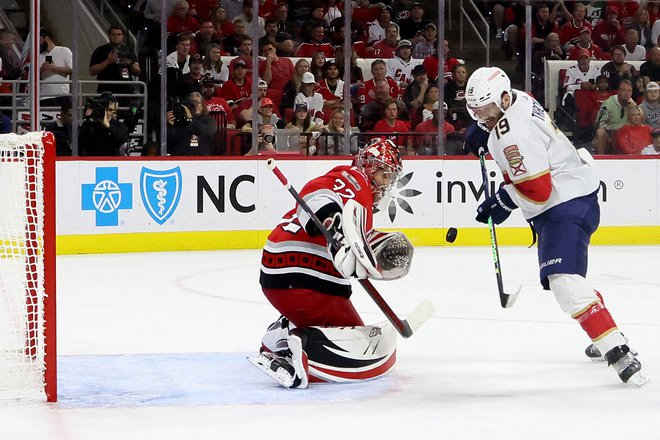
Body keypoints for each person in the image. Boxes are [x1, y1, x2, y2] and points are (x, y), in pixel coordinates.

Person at [463, 66, 646, 386]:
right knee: (572, 280)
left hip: (564, 203)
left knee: (564, 281)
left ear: (504, 99)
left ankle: (617, 349)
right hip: (573, 191)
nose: (483, 116)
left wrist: (504, 199)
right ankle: (606, 328)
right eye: (477, 111)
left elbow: (537, 190)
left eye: (488, 110)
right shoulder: (517, 98)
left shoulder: (510, 134)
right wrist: (486, 129)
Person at [249, 138, 410, 388]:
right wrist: (330, 220)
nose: (387, 185)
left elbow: (354, 241)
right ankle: (296, 355)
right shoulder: (355, 180)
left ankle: (284, 332)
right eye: (385, 176)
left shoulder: (357, 194)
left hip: (281, 271)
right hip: (303, 276)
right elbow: (316, 193)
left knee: (352, 333)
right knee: (359, 347)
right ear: (371, 168)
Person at [89, 26, 141, 97]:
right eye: (113, 34)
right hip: (106, 91)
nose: (116, 37)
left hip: (126, 91)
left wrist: (129, 63)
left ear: (122, 36)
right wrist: (108, 61)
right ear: (109, 35)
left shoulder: (129, 51)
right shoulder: (100, 50)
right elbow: (92, 71)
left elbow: (137, 72)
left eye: (119, 34)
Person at [166, 91, 217, 155]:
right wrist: (170, 125)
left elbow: (206, 132)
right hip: (180, 159)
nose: (195, 106)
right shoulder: (179, 121)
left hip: (202, 160)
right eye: (192, 103)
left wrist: (191, 118)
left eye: (198, 103)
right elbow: (168, 143)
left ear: (203, 105)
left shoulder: (208, 120)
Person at [593, 79, 636, 154]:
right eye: (624, 90)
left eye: (629, 91)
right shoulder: (608, 104)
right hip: (610, 134)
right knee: (600, 132)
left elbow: (638, 121)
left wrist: (632, 108)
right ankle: (601, 159)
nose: (627, 93)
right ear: (618, 91)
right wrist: (612, 130)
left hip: (626, 134)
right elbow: (598, 123)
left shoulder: (632, 104)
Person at [38, 29, 73, 107]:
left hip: (61, 94)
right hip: (44, 97)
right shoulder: (39, 56)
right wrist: (41, 70)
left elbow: (71, 70)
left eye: (39, 38)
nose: (37, 42)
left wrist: (55, 68)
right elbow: (35, 78)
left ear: (46, 38)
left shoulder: (64, 50)